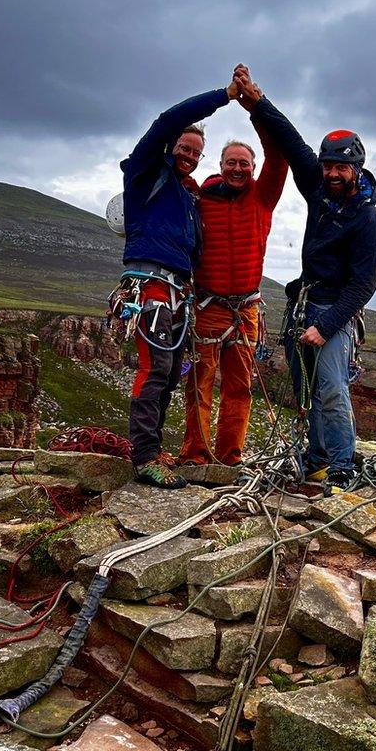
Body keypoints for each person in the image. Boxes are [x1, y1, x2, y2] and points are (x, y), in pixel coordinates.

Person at [233, 67, 376, 490]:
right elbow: (291, 140)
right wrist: (256, 101)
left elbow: (363, 286)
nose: (333, 174)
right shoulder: (319, 189)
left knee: (333, 390)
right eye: (329, 166)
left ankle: (342, 467)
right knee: (307, 393)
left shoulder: (368, 222)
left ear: (358, 169)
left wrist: (325, 326)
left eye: (342, 168)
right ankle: (317, 458)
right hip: (303, 305)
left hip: (332, 313)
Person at [119, 75, 243, 486]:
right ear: (171, 146)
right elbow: (168, 119)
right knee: (156, 368)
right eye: (185, 148)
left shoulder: (184, 194)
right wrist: (223, 97)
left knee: (171, 373)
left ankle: (151, 448)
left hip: (177, 291)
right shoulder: (145, 171)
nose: (190, 156)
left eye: (197, 152)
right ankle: (144, 456)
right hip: (149, 285)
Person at [177, 114, 288, 466]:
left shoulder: (263, 195)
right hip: (208, 305)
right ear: (220, 166)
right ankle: (195, 455)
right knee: (199, 384)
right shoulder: (200, 195)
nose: (237, 169)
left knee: (239, 387)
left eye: (244, 163)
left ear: (253, 168)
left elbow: (279, 156)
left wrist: (254, 108)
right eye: (231, 163)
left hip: (246, 309)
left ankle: (230, 457)